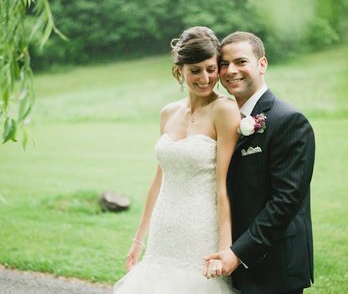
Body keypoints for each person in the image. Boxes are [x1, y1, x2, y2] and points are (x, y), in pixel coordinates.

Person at [114, 26, 240, 294]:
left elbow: (222, 186)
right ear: (179, 71)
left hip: (200, 227)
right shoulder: (167, 113)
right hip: (164, 227)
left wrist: (226, 248)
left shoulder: (225, 111)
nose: (205, 78)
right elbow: (159, 179)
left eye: (210, 69)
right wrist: (139, 238)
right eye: (195, 70)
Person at [203, 31, 316, 294]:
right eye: (224, 64)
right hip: (229, 259)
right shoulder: (224, 119)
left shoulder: (289, 121)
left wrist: (238, 253)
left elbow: (285, 202)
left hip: (274, 266)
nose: (231, 71)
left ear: (262, 64)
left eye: (241, 62)